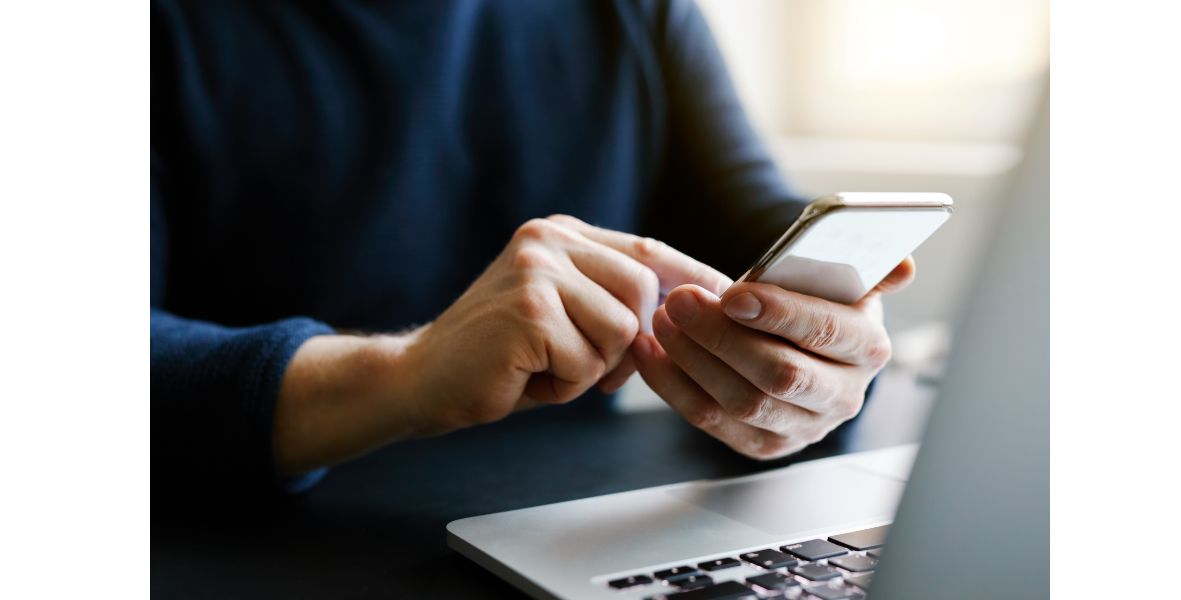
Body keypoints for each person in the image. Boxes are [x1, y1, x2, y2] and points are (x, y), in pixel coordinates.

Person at [151, 0, 915, 496]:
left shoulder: (632, 15)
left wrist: (825, 342)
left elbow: (747, 220)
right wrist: (406, 377)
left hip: (567, 532)